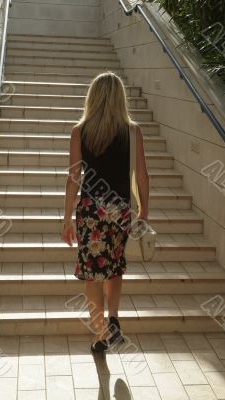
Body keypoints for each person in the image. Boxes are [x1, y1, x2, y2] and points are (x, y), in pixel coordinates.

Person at [61, 71, 149, 352]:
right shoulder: (133, 131)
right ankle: (113, 317)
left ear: (93, 97)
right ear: (120, 98)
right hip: (120, 210)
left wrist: (66, 218)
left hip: (90, 212)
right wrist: (144, 211)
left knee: (92, 275)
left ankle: (100, 336)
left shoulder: (80, 131)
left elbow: (74, 177)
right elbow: (143, 176)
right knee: (115, 267)